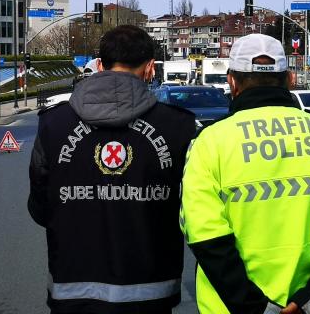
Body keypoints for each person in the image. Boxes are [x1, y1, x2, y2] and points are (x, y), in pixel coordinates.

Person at [181, 34, 310, 314]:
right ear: (289, 79)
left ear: (232, 81)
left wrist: (257, 308)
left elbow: (204, 236)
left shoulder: (209, 143)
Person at [28, 25, 196, 314]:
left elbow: (40, 207)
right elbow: (191, 209)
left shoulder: (54, 125)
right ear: (150, 68)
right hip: (150, 293)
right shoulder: (178, 126)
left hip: (73, 290)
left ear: (101, 65)